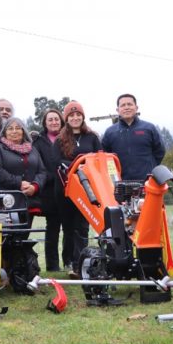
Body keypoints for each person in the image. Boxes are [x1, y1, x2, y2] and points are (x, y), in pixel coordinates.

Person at [52, 100, 102, 277]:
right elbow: (56, 162)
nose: (75, 117)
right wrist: (76, 165)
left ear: (82, 117)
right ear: (67, 118)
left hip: (87, 189)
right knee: (68, 226)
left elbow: (99, 159)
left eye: (78, 115)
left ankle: (80, 262)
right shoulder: (60, 139)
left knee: (82, 227)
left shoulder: (92, 137)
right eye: (71, 115)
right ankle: (69, 261)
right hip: (66, 190)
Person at [0, 116, 47, 228]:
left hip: (29, 202)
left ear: (23, 131)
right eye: (10, 128)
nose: (14, 131)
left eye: (18, 128)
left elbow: (42, 172)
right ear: (5, 132)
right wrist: (19, 183)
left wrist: (35, 186)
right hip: (7, 202)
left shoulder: (32, 149)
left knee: (24, 238)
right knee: (8, 240)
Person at [32, 109, 69, 271]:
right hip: (49, 190)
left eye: (56, 119)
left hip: (69, 189)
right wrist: (53, 176)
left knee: (69, 227)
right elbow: (36, 165)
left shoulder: (69, 138)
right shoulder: (38, 142)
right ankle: (52, 265)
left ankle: (69, 261)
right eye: (50, 120)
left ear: (61, 121)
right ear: (45, 123)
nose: (54, 122)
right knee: (52, 228)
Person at [102, 93, 165, 181]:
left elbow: (160, 151)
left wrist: (151, 167)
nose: (126, 107)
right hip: (120, 184)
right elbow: (105, 156)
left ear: (136, 107)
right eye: (123, 105)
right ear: (118, 109)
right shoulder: (110, 132)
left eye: (130, 104)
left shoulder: (149, 128)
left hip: (147, 182)